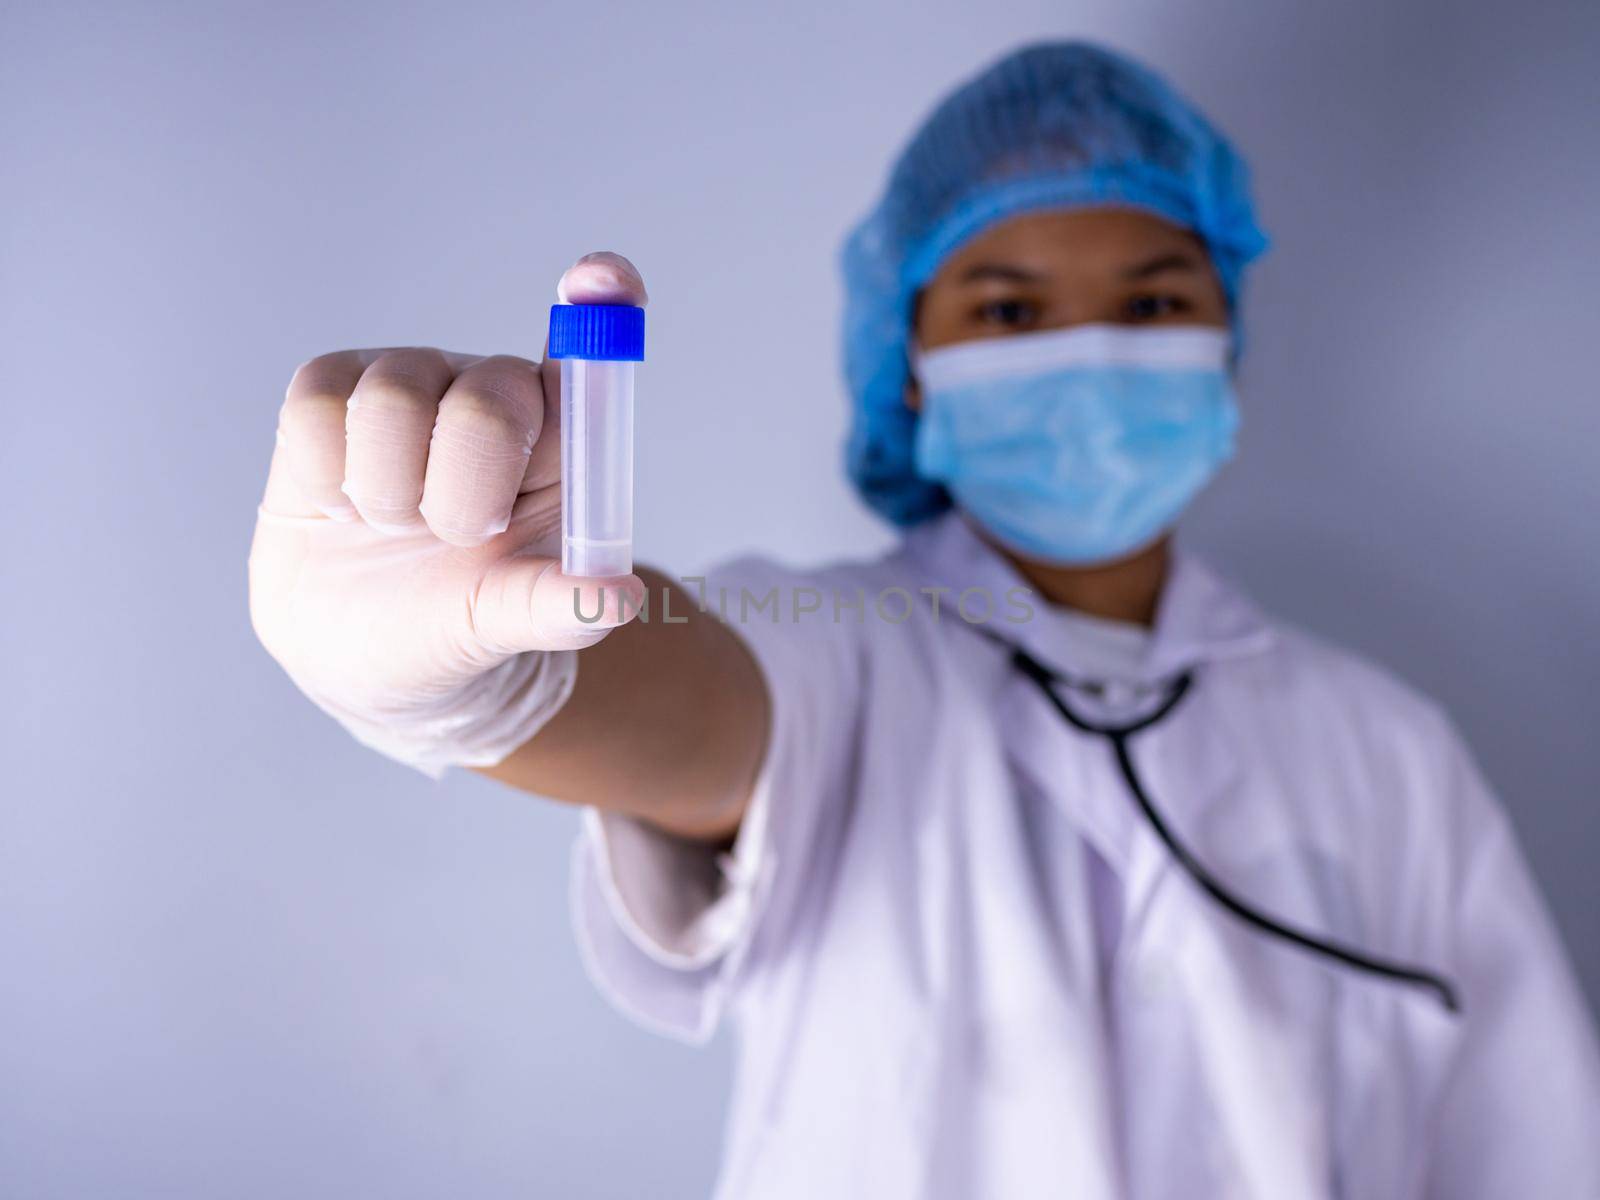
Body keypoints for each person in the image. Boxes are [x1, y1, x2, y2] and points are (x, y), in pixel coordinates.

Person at [248, 40, 1600, 1199]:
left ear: (1227, 336)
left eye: (1156, 301)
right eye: (1009, 308)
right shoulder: (846, 658)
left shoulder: (1388, 754)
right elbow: (688, 709)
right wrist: (488, 682)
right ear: (909, 362)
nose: (1093, 354)